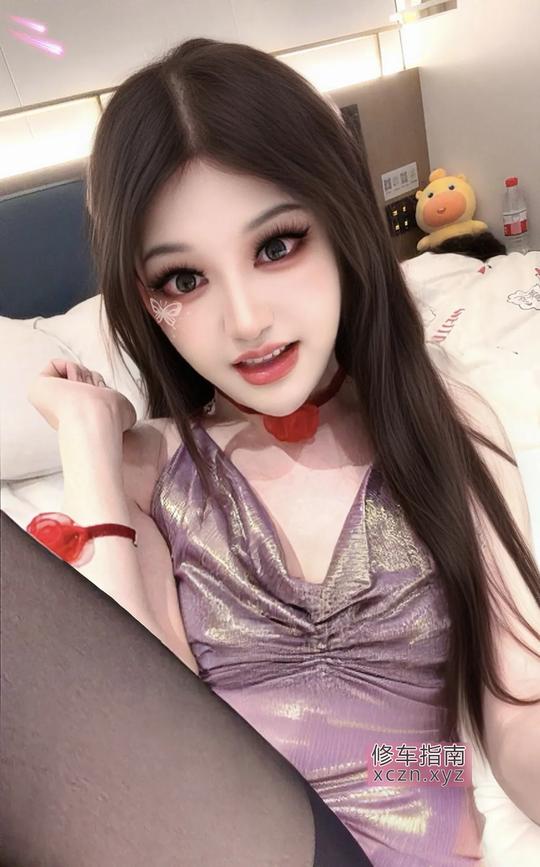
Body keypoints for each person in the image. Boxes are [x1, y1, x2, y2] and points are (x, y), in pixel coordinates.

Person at [21, 37, 540, 865]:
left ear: (339, 223)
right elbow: (140, 751)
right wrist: (87, 443)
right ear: (144, 300)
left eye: (276, 245)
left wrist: (416, 777)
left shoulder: (446, 425)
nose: (246, 320)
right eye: (183, 279)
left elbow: (516, 710)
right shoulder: (149, 470)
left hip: (416, 795)